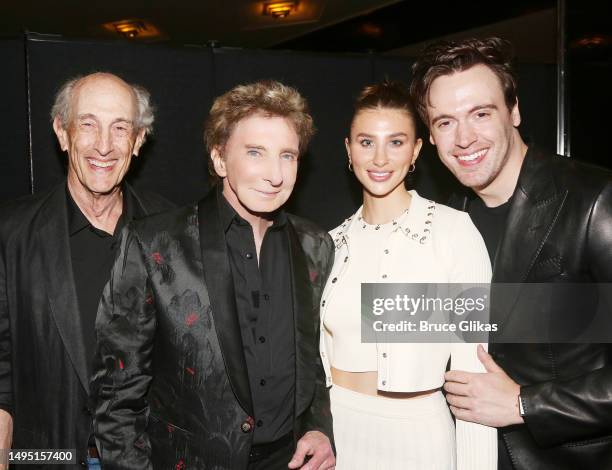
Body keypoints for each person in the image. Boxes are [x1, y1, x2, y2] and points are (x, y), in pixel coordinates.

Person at [91, 80, 336, 470]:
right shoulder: (154, 242)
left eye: (287, 156)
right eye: (255, 152)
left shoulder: (315, 245)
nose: (275, 174)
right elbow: (117, 393)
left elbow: (314, 359)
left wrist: (320, 428)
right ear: (220, 159)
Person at [410, 37, 612, 469]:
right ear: (430, 134)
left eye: (480, 114)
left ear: (514, 110)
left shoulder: (594, 198)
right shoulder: (443, 220)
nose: (464, 138)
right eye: (445, 122)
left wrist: (526, 405)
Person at [319, 80, 497, 469]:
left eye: (396, 142)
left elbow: (473, 377)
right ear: (348, 150)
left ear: (416, 150)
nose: (380, 158)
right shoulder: (329, 244)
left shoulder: (453, 233)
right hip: (338, 435)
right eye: (366, 142)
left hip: (419, 440)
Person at [0, 72, 173, 468]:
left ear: (138, 141)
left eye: (120, 128)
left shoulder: (172, 230)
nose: (104, 146)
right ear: (62, 133)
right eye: (88, 125)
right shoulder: (10, 233)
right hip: (46, 458)